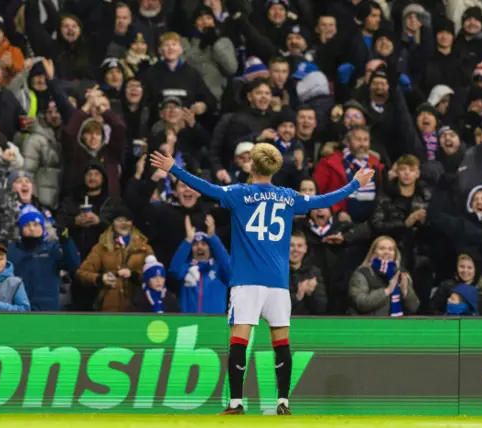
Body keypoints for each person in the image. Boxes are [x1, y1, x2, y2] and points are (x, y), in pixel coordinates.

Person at [149, 143, 374, 415]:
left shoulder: (238, 193)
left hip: (247, 281)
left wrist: (173, 168)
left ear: (252, 167)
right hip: (278, 283)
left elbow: (205, 188)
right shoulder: (289, 197)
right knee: (281, 341)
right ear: (275, 169)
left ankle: (236, 403)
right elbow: (323, 201)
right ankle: (283, 402)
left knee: (239, 340)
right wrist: (354, 184)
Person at [76, 205, 154, 312]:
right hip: (110, 307)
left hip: (139, 307)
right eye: (119, 220)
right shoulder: (101, 247)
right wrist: (101, 278)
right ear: (113, 223)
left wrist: (134, 275)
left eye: (127, 220)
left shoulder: (144, 247)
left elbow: (157, 275)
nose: (123, 223)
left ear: (132, 222)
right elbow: (82, 273)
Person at [7, 206, 81, 311]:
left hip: (47, 309)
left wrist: (66, 241)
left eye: (36, 224)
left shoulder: (53, 248)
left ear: (43, 228)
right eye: (27, 225)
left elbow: (74, 264)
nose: (32, 228)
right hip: (18, 307)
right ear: (20, 229)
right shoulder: (11, 250)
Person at [169, 215, 230, 314]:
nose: (199, 247)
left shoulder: (218, 268)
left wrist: (213, 238)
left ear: (210, 248)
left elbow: (229, 268)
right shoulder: (186, 268)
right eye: (195, 244)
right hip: (189, 324)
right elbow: (174, 269)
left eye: (204, 244)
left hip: (214, 324)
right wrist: (188, 240)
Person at [348, 235, 420, 316]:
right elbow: (361, 303)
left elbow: (414, 307)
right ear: (373, 253)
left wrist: (406, 292)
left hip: (398, 325)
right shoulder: (362, 274)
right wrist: (387, 290)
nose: (386, 252)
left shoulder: (401, 274)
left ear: (395, 254)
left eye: (390, 249)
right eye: (382, 249)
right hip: (371, 325)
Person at [288, 230, 327, 315]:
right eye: (291, 245)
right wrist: (298, 295)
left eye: (299, 246)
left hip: (308, 322)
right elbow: (273, 306)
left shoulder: (313, 272)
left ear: (305, 249)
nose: (295, 249)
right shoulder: (277, 272)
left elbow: (321, 307)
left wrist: (311, 293)